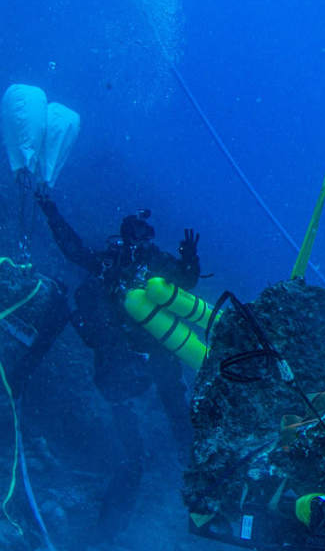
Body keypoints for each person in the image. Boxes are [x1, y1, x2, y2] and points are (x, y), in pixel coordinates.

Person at [33, 191, 202, 541]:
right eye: (135, 233)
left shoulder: (157, 262)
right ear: (125, 235)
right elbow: (74, 250)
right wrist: (52, 213)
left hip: (156, 358)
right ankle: (108, 532)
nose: (141, 241)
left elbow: (185, 284)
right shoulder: (109, 263)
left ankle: (203, 501)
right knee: (135, 456)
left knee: (182, 428)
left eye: (145, 234)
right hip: (121, 365)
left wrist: (190, 261)